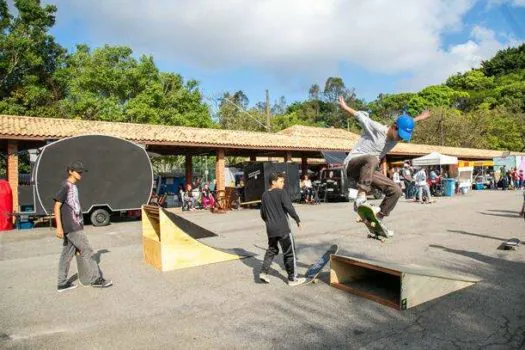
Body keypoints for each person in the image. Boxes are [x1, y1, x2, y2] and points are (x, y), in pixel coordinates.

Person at [338, 96, 431, 234]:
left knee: (396, 191)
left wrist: (419, 118)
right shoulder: (376, 128)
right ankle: (360, 198)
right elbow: (360, 117)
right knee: (373, 159)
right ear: (394, 127)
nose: (399, 139)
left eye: (402, 138)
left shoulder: (398, 134)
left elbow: (407, 122)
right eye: (398, 135)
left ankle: (378, 218)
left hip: (367, 172)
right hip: (352, 165)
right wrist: (345, 107)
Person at [54, 160, 112, 292]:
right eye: (78, 172)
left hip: (74, 226)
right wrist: (59, 227)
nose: (80, 174)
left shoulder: (73, 186)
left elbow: (75, 207)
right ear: (70, 171)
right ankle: (96, 279)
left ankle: (62, 283)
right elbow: (56, 206)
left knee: (66, 256)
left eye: (81, 172)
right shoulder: (66, 186)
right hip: (72, 227)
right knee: (88, 251)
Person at [259, 172, 305, 286]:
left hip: (271, 229)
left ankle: (264, 272)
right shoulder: (281, 192)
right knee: (289, 253)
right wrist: (297, 219)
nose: (283, 184)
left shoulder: (264, 195)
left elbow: (263, 213)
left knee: (272, 250)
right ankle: (292, 279)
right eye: (281, 181)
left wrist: (269, 222)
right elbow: (289, 207)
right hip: (283, 228)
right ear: (273, 182)